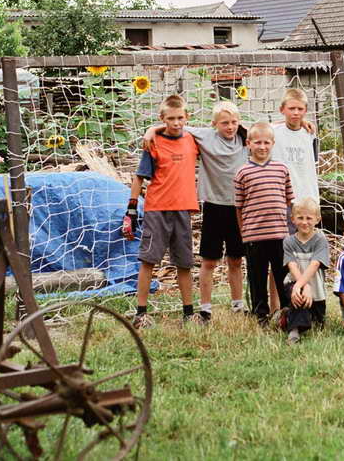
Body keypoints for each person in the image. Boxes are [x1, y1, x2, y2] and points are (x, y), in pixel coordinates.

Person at [143, 101, 248, 321]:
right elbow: (176, 124)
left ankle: (238, 305)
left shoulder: (245, 136)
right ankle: (205, 308)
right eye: (225, 123)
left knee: (236, 259)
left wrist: (302, 122)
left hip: (239, 207)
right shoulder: (204, 136)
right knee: (209, 260)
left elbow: (272, 129)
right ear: (214, 124)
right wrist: (152, 129)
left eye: (233, 122)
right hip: (213, 205)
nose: (230, 127)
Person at [122, 94, 202, 329]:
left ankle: (188, 313)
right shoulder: (153, 143)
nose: (176, 123)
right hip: (157, 209)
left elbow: (224, 129)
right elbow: (139, 178)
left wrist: (152, 128)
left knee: (184, 263)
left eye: (180, 118)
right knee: (148, 261)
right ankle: (141, 313)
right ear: (162, 119)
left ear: (187, 117)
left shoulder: (192, 140)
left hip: (183, 210)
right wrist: (131, 209)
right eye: (171, 119)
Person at [233, 121, 294, 325]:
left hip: (279, 235)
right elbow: (239, 207)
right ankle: (260, 315)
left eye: (266, 142)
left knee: (282, 276)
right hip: (254, 236)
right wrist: (244, 233)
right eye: (257, 142)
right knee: (257, 277)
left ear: (273, 143)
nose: (262, 147)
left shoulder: (281, 169)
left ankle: (287, 312)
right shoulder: (242, 172)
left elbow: (287, 200)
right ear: (248, 143)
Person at [269, 87, 319, 312]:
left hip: (307, 201)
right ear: (282, 110)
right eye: (291, 109)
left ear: (305, 111)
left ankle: (312, 301)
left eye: (300, 109)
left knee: (308, 255)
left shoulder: (310, 133)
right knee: (282, 255)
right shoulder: (273, 132)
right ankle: (277, 305)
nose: (295, 113)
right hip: (285, 203)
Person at [281, 196, 330, 344]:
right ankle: (294, 331)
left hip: (316, 287)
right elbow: (292, 265)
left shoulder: (320, 240)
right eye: (300, 218)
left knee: (317, 323)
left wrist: (304, 285)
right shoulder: (288, 241)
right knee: (298, 299)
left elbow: (315, 264)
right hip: (294, 283)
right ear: (293, 219)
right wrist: (300, 286)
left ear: (318, 219)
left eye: (309, 218)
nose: (304, 222)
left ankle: (288, 315)